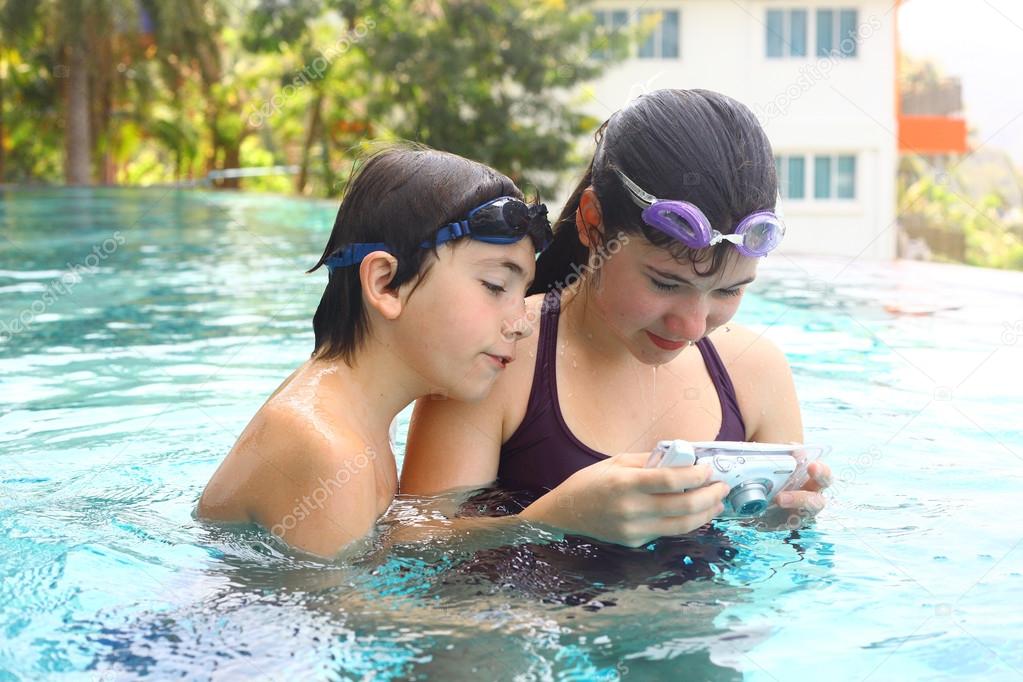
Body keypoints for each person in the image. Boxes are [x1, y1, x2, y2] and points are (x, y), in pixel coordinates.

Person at [401, 89, 832, 546]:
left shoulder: (755, 373)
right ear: (592, 222)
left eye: (728, 290)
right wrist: (552, 520)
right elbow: (406, 545)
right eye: (665, 284)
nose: (692, 326)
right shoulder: (500, 352)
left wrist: (778, 525)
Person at [197, 145, 553, 557]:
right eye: (494, 286)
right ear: (385, 283)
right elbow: (342, 618)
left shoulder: (346, 414)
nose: (522, 322)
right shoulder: (329, 453)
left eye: (522, 293)